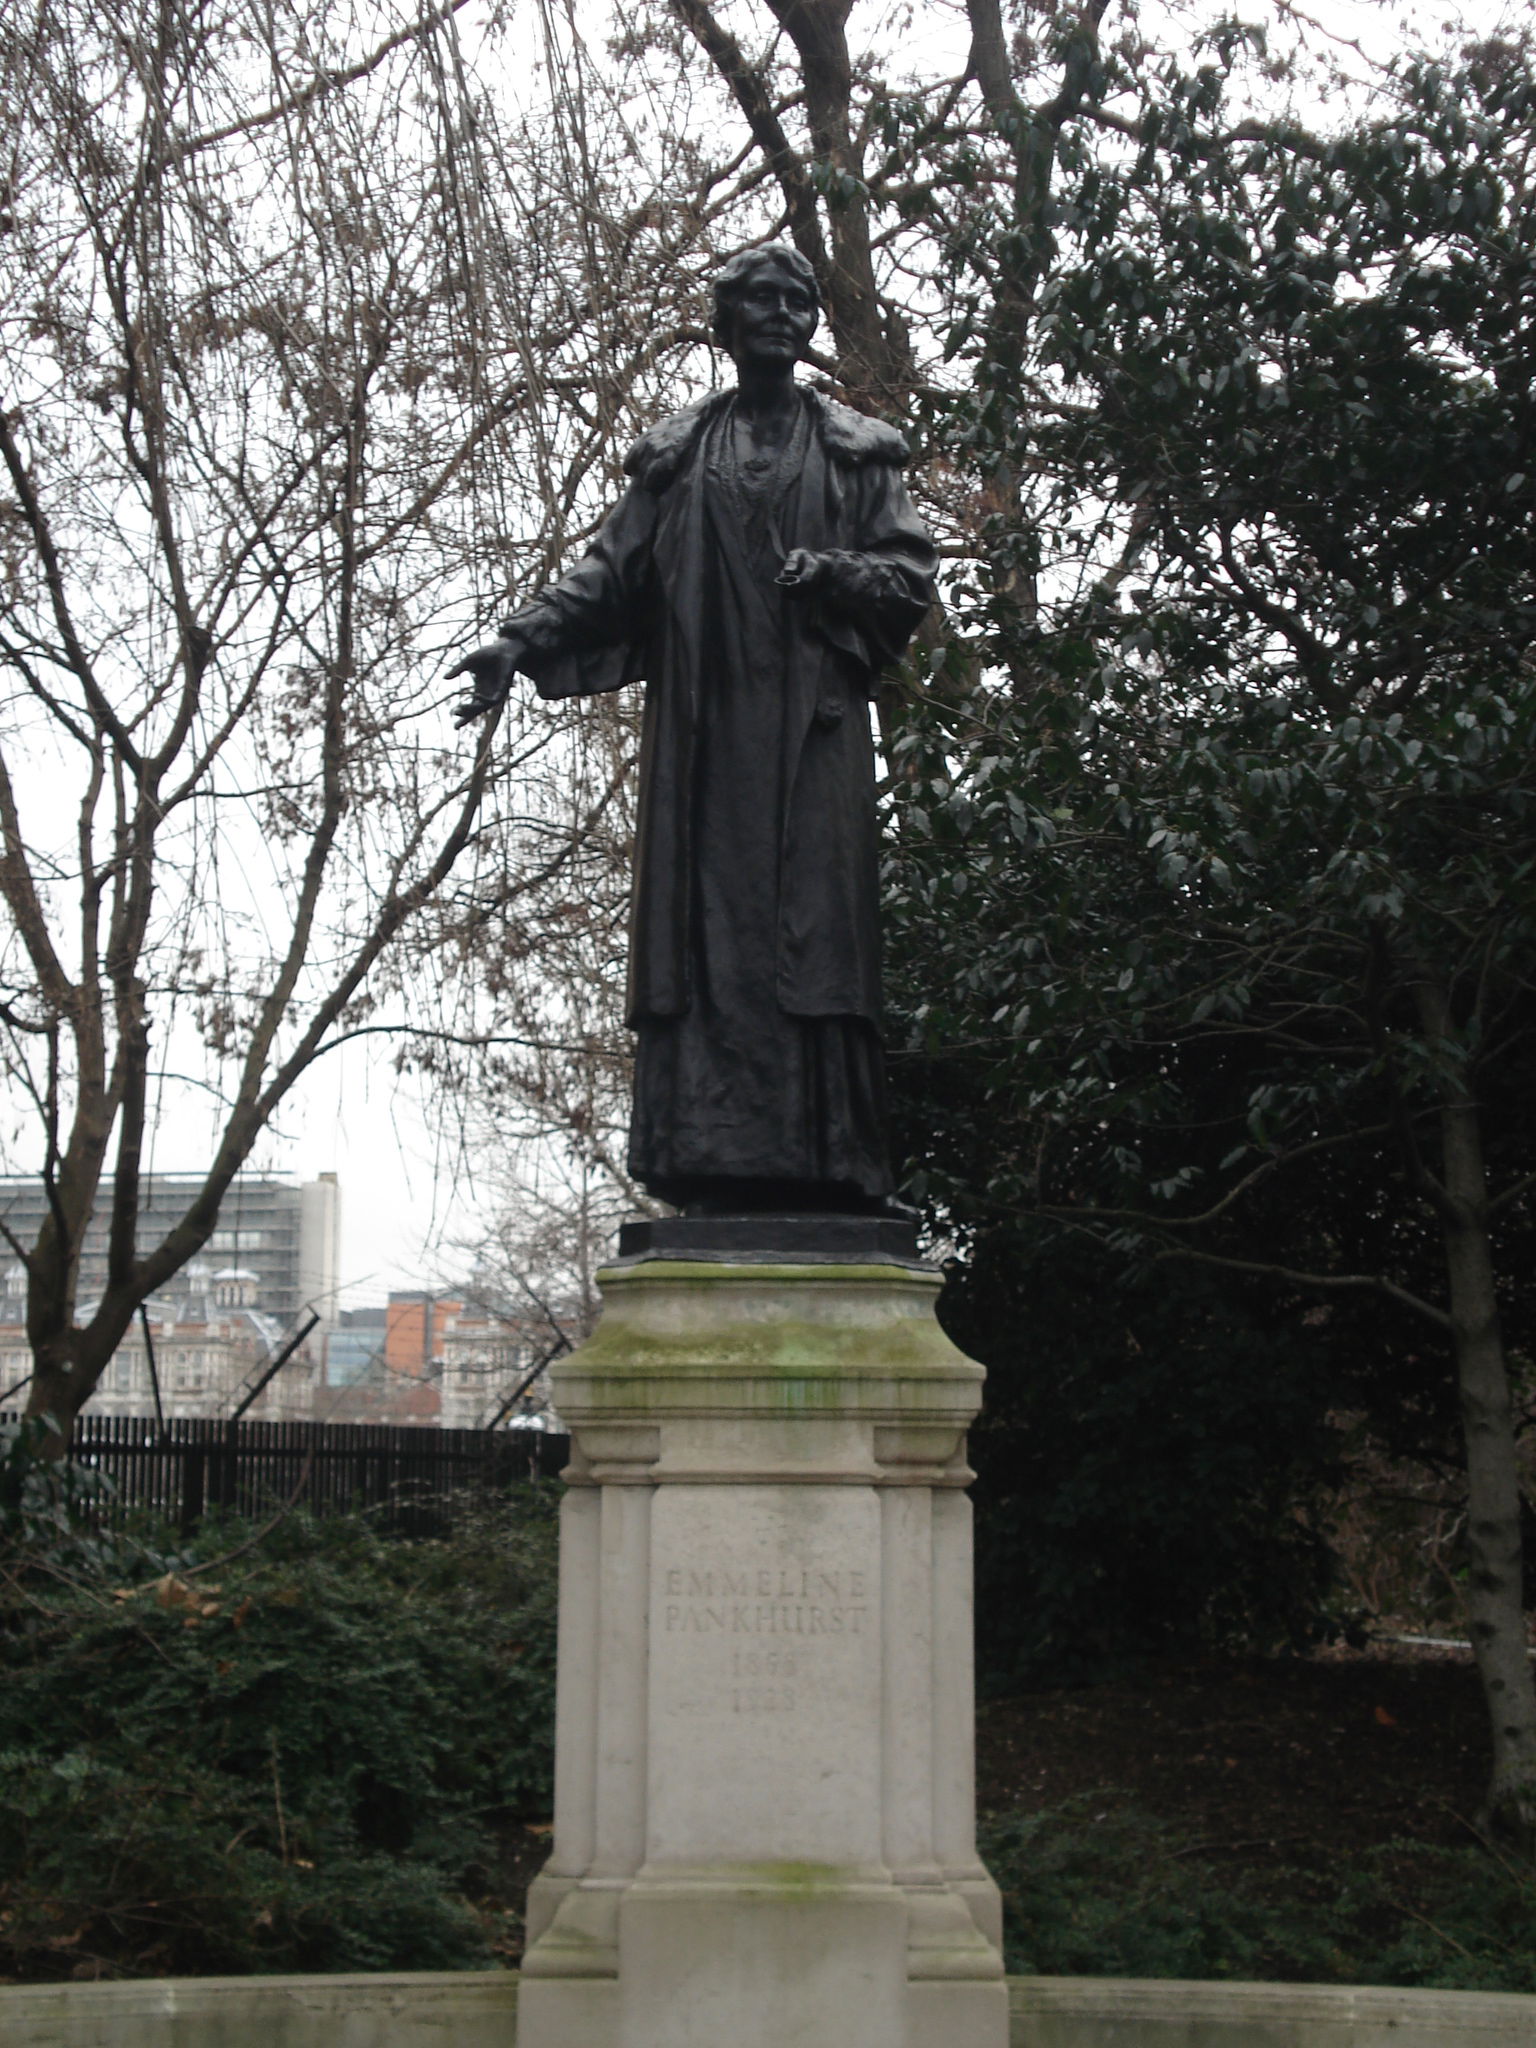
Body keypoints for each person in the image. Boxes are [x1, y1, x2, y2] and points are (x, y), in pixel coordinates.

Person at [450, 246, 936, 1214]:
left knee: (819, 950)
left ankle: (832, 1162)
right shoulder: (678, 460)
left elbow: (909, 579)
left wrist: (835, 572)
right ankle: (708, 1156)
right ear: (727, 321)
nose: (782, 315)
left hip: (813, 748)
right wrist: (520, 637)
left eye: (799, 302)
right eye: (761, 299)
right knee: (711, 949)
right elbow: (608, 573)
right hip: (708, 757)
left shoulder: (856, 452)